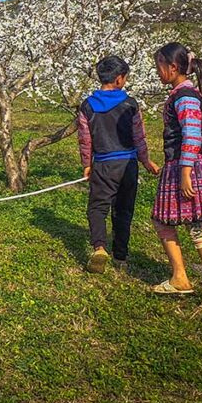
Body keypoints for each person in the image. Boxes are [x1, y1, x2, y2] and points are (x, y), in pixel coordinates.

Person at [150, 43, 202, 312]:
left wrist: (185, 171)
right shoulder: (180, 93)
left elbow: (192, 134)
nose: (158, 72)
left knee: (197, 225)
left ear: (173, 67)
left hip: (189, 166)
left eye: (159, 66)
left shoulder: (185, 96)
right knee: (163, 220)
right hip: (179, 164)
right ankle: (179, 278)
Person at [77, 56, 159, 274]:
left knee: (97, 207)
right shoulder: (130, 104)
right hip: (128, 164)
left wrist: (87, 163)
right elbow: (139, 135)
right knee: (123, 210)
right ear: (119, 79)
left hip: (103, 164)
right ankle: (120, 256)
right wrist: (146, 160)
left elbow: (85, 139)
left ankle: (100, 247)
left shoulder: (87, 106)